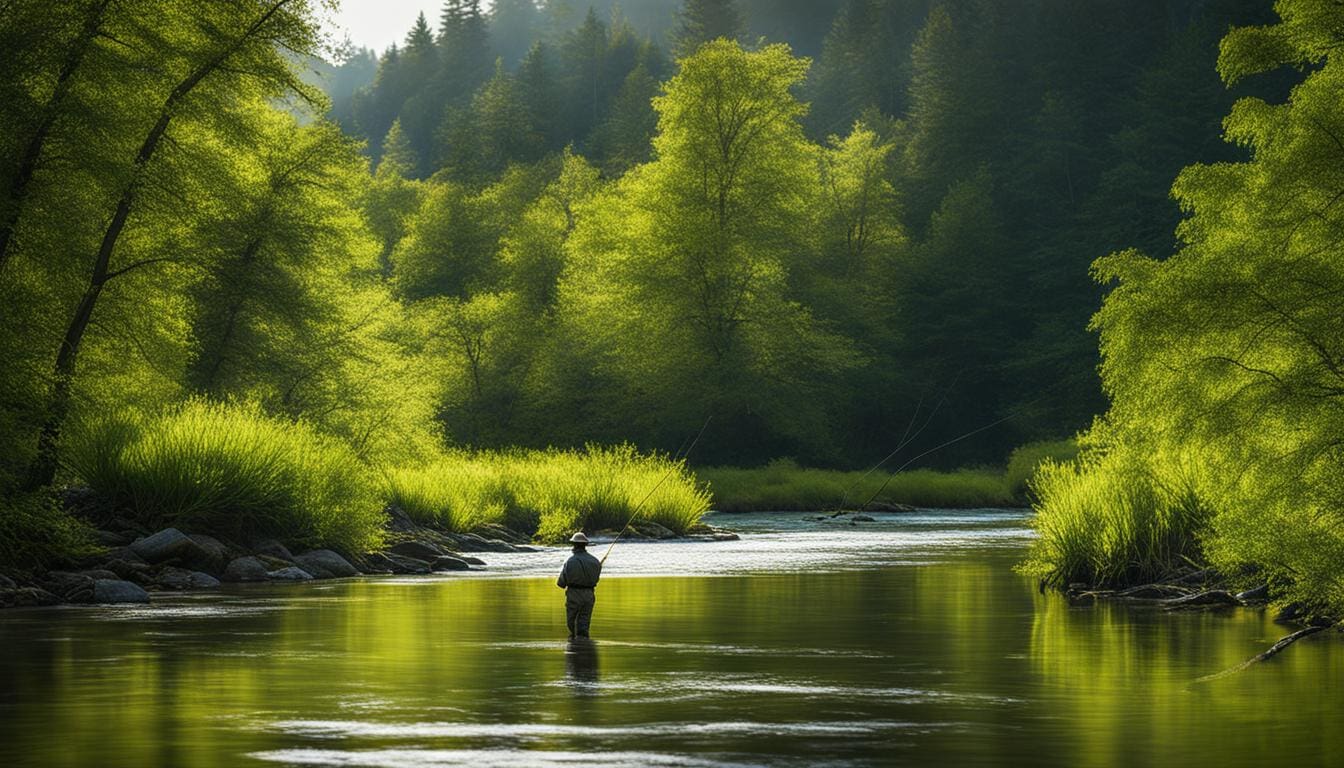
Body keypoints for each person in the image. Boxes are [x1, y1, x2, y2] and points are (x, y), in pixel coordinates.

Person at [557, 532, 602, 638]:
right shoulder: (595, 561)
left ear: (574, 545)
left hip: (574, 594)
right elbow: (596, 579)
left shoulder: (570, 561)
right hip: (589, 594)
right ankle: (584, 645)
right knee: (584, 622)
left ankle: (575, 645)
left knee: (571, 622)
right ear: (585, 545)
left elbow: (561, 583)